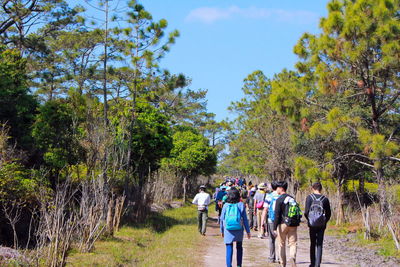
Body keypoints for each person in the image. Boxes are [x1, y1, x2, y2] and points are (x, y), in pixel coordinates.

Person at [220, 188, 251, 267]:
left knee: (229, 247)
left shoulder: (226, 205)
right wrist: (248, 231)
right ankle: (239, 265)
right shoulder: (241, 205)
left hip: (228, 229)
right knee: (239, 247)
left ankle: (229, 265)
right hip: (239, 229)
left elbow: (222, 219)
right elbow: (245, 219)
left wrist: (222, 231)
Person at [304, 182, 331, 267]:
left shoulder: (309, 198)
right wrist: (324, 221)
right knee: (319, 244)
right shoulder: (325, 199)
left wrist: (309, 220)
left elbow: (306, 212)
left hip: (312, 224)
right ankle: (318, 264)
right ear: (321, 189)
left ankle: (312, 262)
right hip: (321, 224)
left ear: (313, 188)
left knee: (312, 243)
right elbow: (329, 213)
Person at [273, 181, 299, 267]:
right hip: (293, 223)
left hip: (282, 224)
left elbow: (276, 215)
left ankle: (283, 263)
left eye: (277, 188)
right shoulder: (292, 198)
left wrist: (274, 227)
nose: (276, 189)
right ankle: (292, 257)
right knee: (293, 243)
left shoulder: (279, 199)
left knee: (281, 244)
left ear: (281, 188)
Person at [262, 181, 280, 263]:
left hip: (271, 220)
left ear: (272, 187)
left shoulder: (269, 196)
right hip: (280, 220)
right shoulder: (281, 196)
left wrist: (262, 221)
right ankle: (280, 257)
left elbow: (265, 209)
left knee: (271, 239)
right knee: (280, 240)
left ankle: (272, 257)